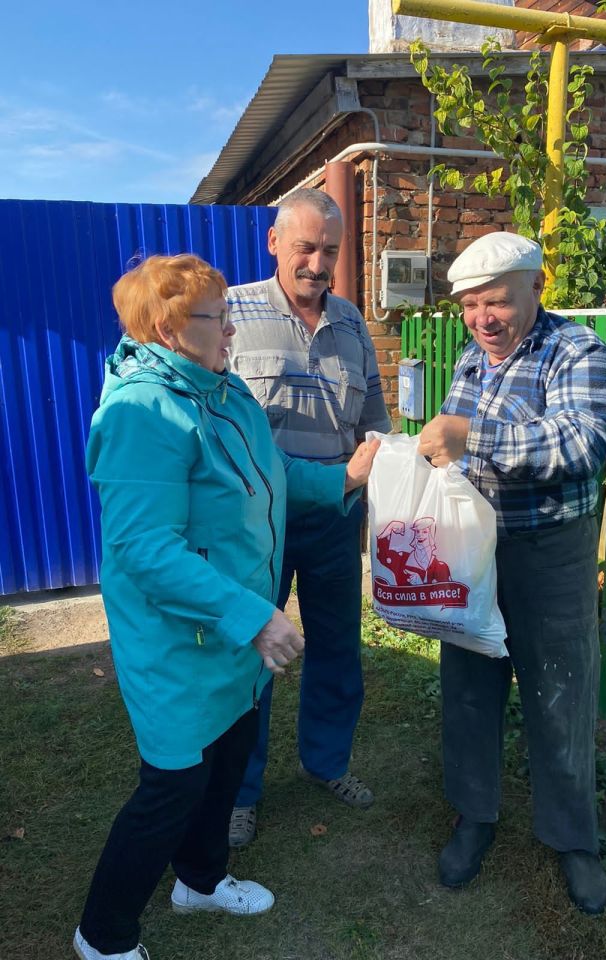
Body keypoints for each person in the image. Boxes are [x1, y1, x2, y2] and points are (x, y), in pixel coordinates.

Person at [74, 253, 378, 960]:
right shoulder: (141, 412)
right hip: (181, 644)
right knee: (172, 788)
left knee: (227, 757)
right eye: (218, 319)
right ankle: (103, 934)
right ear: (172, 327)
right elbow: (145, 548)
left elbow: (271, 476)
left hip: (233, 640)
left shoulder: (223, 391)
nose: (231, 333)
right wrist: (255, 616)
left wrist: (343, 477)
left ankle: (201, 881)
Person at [417, 232, 606, 915]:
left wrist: (472, 437)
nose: (482, 319)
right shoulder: (474, 360)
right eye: (471, 305)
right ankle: (475, 815)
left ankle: (573, 838)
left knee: (561, 691)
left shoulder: (576, 349)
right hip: (477, 547)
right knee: (469, 684)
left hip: (550, 549)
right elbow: (452, 452)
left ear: (537, 285)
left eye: (496, 301)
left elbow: (583, 442)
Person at [225, 188, 391, 847]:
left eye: (329, 251)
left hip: (332, 521)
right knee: (253, 651)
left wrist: (389, 455)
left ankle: (326, 763)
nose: (317, 264)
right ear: (274, 243)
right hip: (253, 524)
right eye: (305, 248)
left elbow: (373, 416)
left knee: (336, 647)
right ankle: (240, 789)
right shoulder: (231, 312)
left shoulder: (351, 324)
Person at [376, 517, 452, 585]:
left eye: (425, 532)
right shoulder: (403, 560)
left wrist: (420, 584)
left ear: (431, 535)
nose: (419, 535)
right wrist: (391, 527)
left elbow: (449, 595)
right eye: (417, 532)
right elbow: (382, 555)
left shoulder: (441, 567)